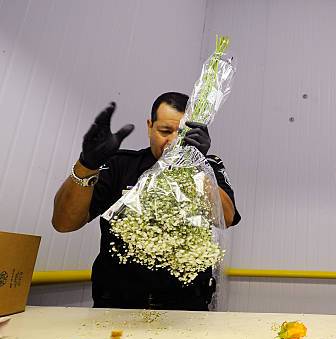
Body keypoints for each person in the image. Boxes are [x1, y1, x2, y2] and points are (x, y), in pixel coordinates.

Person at [52, 92, 240, 310]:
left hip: (187, 308)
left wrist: (196, 166)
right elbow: (64, 223)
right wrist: (87, 165)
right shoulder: (121, 164)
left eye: (182, 134)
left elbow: (225, 217)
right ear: (150, 126)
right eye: (165, 131)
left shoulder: (209, 167)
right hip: (115, 307)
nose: (172, 141)